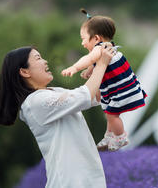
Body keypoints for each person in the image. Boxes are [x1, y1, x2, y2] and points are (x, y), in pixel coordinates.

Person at [0, 45, 115, 188]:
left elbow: (95, 96)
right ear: (24, 71)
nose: (45, 62)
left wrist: (100, 69)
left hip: (86, 180)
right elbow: (84, 96)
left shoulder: (54, 92)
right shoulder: (34, 103)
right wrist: (101, 65)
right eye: (38, 58)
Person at [61, 9, 147, 151]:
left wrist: (74, 68)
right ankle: (110, 135)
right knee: (109, 112)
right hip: (119, 87)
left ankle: (120, 137)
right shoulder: (108, 46)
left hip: (118, 90)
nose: (82, 43)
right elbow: (96, 62)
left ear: (96, 38)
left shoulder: (99, 48)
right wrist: (89, 70)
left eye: (83, 38)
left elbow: (89, 58)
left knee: (112, 116)